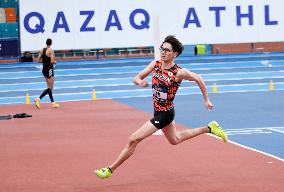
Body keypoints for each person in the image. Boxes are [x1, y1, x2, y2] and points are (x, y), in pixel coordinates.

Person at [95, 35, 228, 179]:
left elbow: (199, 78)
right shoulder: (156, 65)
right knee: (175, 140)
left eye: (167, 50)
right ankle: (210, 128)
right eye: (162, 49)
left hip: (165, 115)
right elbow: (136, 77)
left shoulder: (179, 72)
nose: (163, 52)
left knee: (134, 139)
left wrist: (207, 100)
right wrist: (140, 82)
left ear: (174, 54)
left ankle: (109, 169)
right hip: (159, 110)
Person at [34, 38, 60, 109]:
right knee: (50, 87)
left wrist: (45, 61)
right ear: (51, 43)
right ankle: (38, 99)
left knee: (49, 87)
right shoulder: (51, 50)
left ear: (46, 43)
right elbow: (52, 61)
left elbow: (38, 61)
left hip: (44, 69)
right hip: (49, 69)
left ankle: (53, 103)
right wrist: (55, 62)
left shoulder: (42, 50)